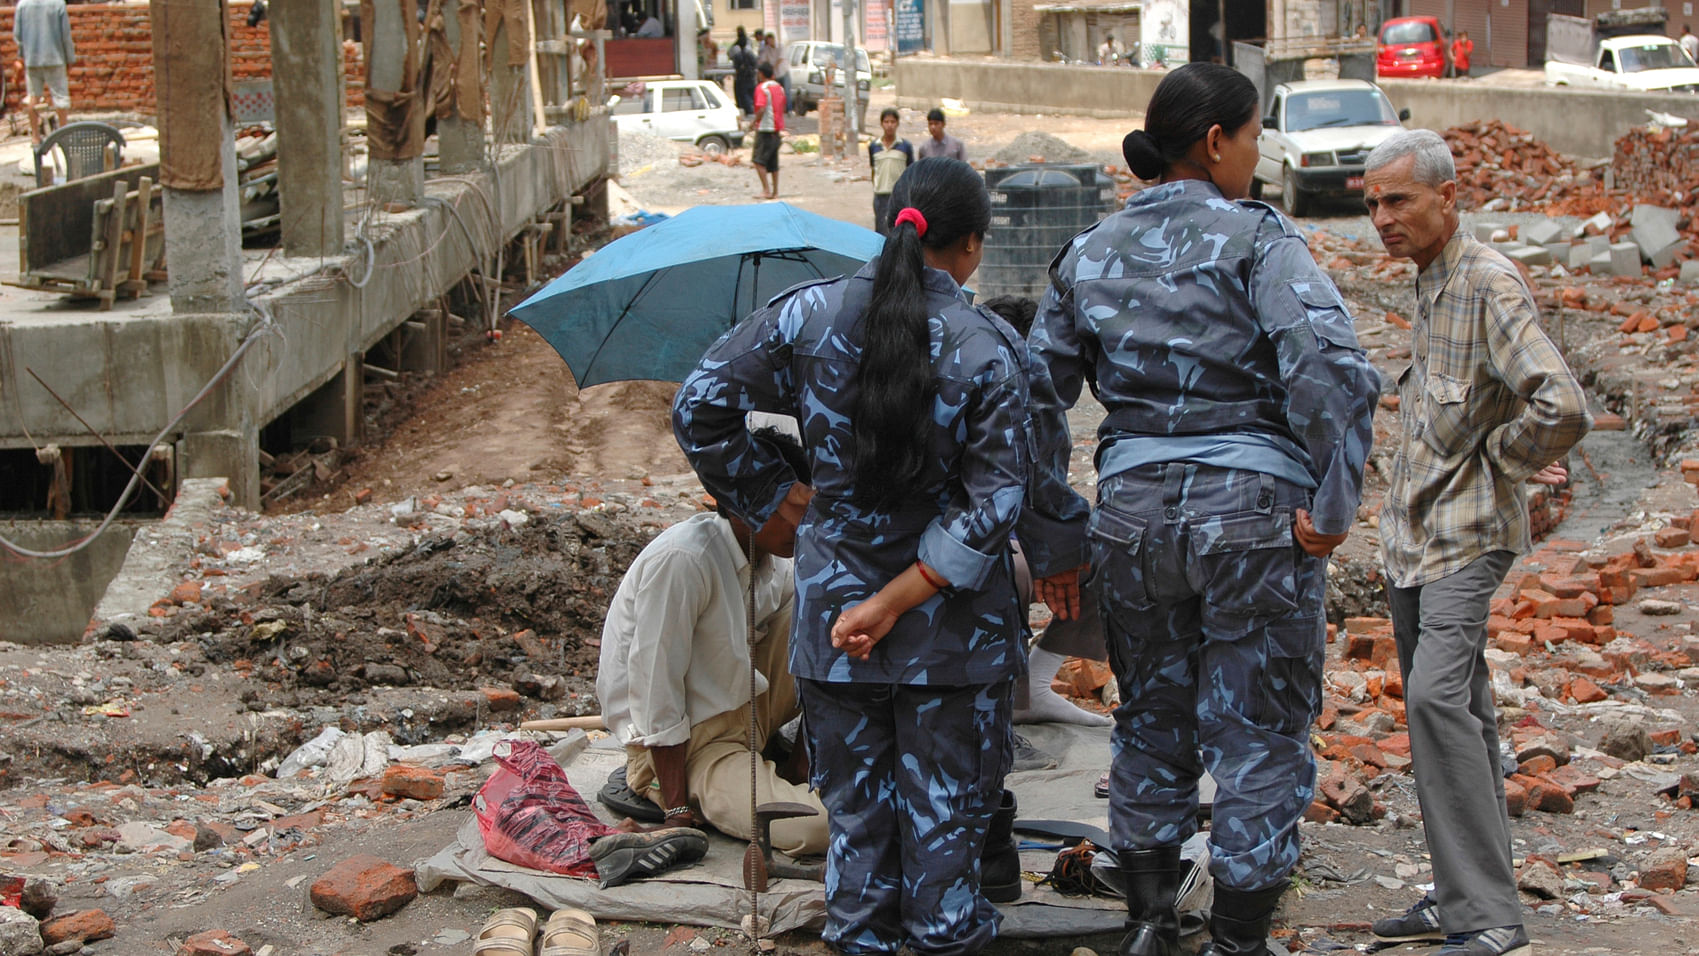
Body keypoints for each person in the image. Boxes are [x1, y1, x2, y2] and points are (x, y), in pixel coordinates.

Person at [674, 156, 1089, 956]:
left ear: (889, 223)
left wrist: (773, 503)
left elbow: (699, 405)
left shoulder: (802, 317)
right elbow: (998, 501)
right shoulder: (987, 344)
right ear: (970, 247)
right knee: (947, 836)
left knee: (856, 837)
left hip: (834, 624)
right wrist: (900, 598)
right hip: (951, 638)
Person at [1029, 62, 1380, 956]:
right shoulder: (1259, 241)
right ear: (1216, 141)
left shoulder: (1090, 250)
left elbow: (1032, 402)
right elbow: (1328, 373)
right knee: (1258, 732)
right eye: (1255, 137)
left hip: (1132, 518)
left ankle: (1148, 921)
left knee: (1149, 716)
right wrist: (1333, 504)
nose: (1256, 157)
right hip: (1253, 518)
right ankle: (1236, 939)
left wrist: (1057, 535)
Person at [1362, 128, 1591, 956]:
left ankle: (1491, 919)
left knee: (1431, 703)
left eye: (1397, 200)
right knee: (1463, 713)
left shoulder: (1488, 284)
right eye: (1372, 203)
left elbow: (1562, 405)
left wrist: (1503, 460)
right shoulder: (1429, 281)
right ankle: (1460, 892)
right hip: (1412, 540)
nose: (1381, 218)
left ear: (1445, 197)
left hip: (1465, 539)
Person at [597, 428, 828, 858]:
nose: (804, 524)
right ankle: (699, 786)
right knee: (814, 829)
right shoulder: (684, 561)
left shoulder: (770, 558)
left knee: (823, 604)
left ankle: (795, 766)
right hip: (691, 746)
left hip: (748, 712)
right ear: (748, 506)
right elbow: (656, 692)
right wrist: (678, 811)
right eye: (792, 509)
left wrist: (800, 764)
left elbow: (807, 647)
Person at [14, 0, 75, 145]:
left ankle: (35, 137)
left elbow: (18, 35)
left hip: (32, 60)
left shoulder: (23, 5)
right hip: (55, 58)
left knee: (33, 98)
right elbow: (65, 35)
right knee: (60, 98)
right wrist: (69, 58)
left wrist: (22, 56)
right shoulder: (58, 4)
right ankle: (63, 135)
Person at [869, 108, 914, 235]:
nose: (889, 125)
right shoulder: (874, 146)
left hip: (899, 196)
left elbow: (910, 171)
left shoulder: (905, 146)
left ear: (897, 124)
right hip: (880, 196)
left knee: (899, 230)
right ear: (881, 124)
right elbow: (874, 170)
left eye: (892, 122)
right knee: (881, 231)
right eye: (886, 122)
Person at [750, 62, 786, 200]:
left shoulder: (762, 88)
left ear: (761, 74)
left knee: (758, 161)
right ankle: (775, 191)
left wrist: (753, 122)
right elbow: (782, 107)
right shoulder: (779, 88)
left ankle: (766, 189)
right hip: (776, 129)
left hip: (765, 128)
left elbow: (762, 108)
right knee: (773, 163)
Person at [759, 29, 792, 114]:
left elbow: (780, 59)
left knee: (787, 92)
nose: (769, 42)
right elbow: (763, 59)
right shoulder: (767, 49)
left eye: (770, 40)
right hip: (775, 75)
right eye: (767, 41)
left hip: (783, 72)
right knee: (776, 93)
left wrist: (772, 67)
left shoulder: (781, 46)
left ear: (773, 39)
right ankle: (779, 109)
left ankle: (789, 110)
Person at [729, 26, 757, 115]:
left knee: (745, 94)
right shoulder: (749, 53)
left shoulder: (738, 55)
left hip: (743, 77)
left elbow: (736, 65)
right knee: (751, 94)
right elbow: (755, 63)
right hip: (750, 76)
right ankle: (752, 109)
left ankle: (749, 111)